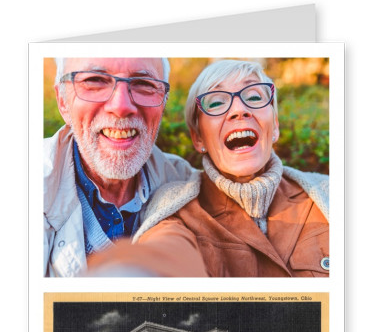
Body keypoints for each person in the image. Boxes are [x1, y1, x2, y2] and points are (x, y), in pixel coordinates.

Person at [87, 59, 329, 277]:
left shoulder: (328, 194)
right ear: (198, 138)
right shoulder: (177, 210)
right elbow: (165, 252)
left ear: (274, 125)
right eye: (216, 102)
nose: (239, 110)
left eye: (254, 97)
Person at [44, 57, 198, 277]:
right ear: (62, 101)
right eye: (95, 80)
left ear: (163, 102)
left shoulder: (187, 185)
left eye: (144, 84)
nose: (121, 106)